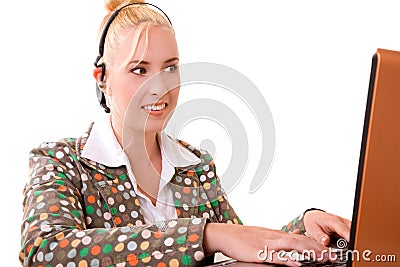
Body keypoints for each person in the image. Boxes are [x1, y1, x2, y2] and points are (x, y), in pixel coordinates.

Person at [20, 1, 351, 266]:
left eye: (170, 68)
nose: (159, 87)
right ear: (101, 78)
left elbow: (241, 243)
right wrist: (201, 235)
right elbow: (45, 251)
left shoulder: (195, 165)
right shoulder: (60, 161)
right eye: (139, 70)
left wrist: (303, 227)